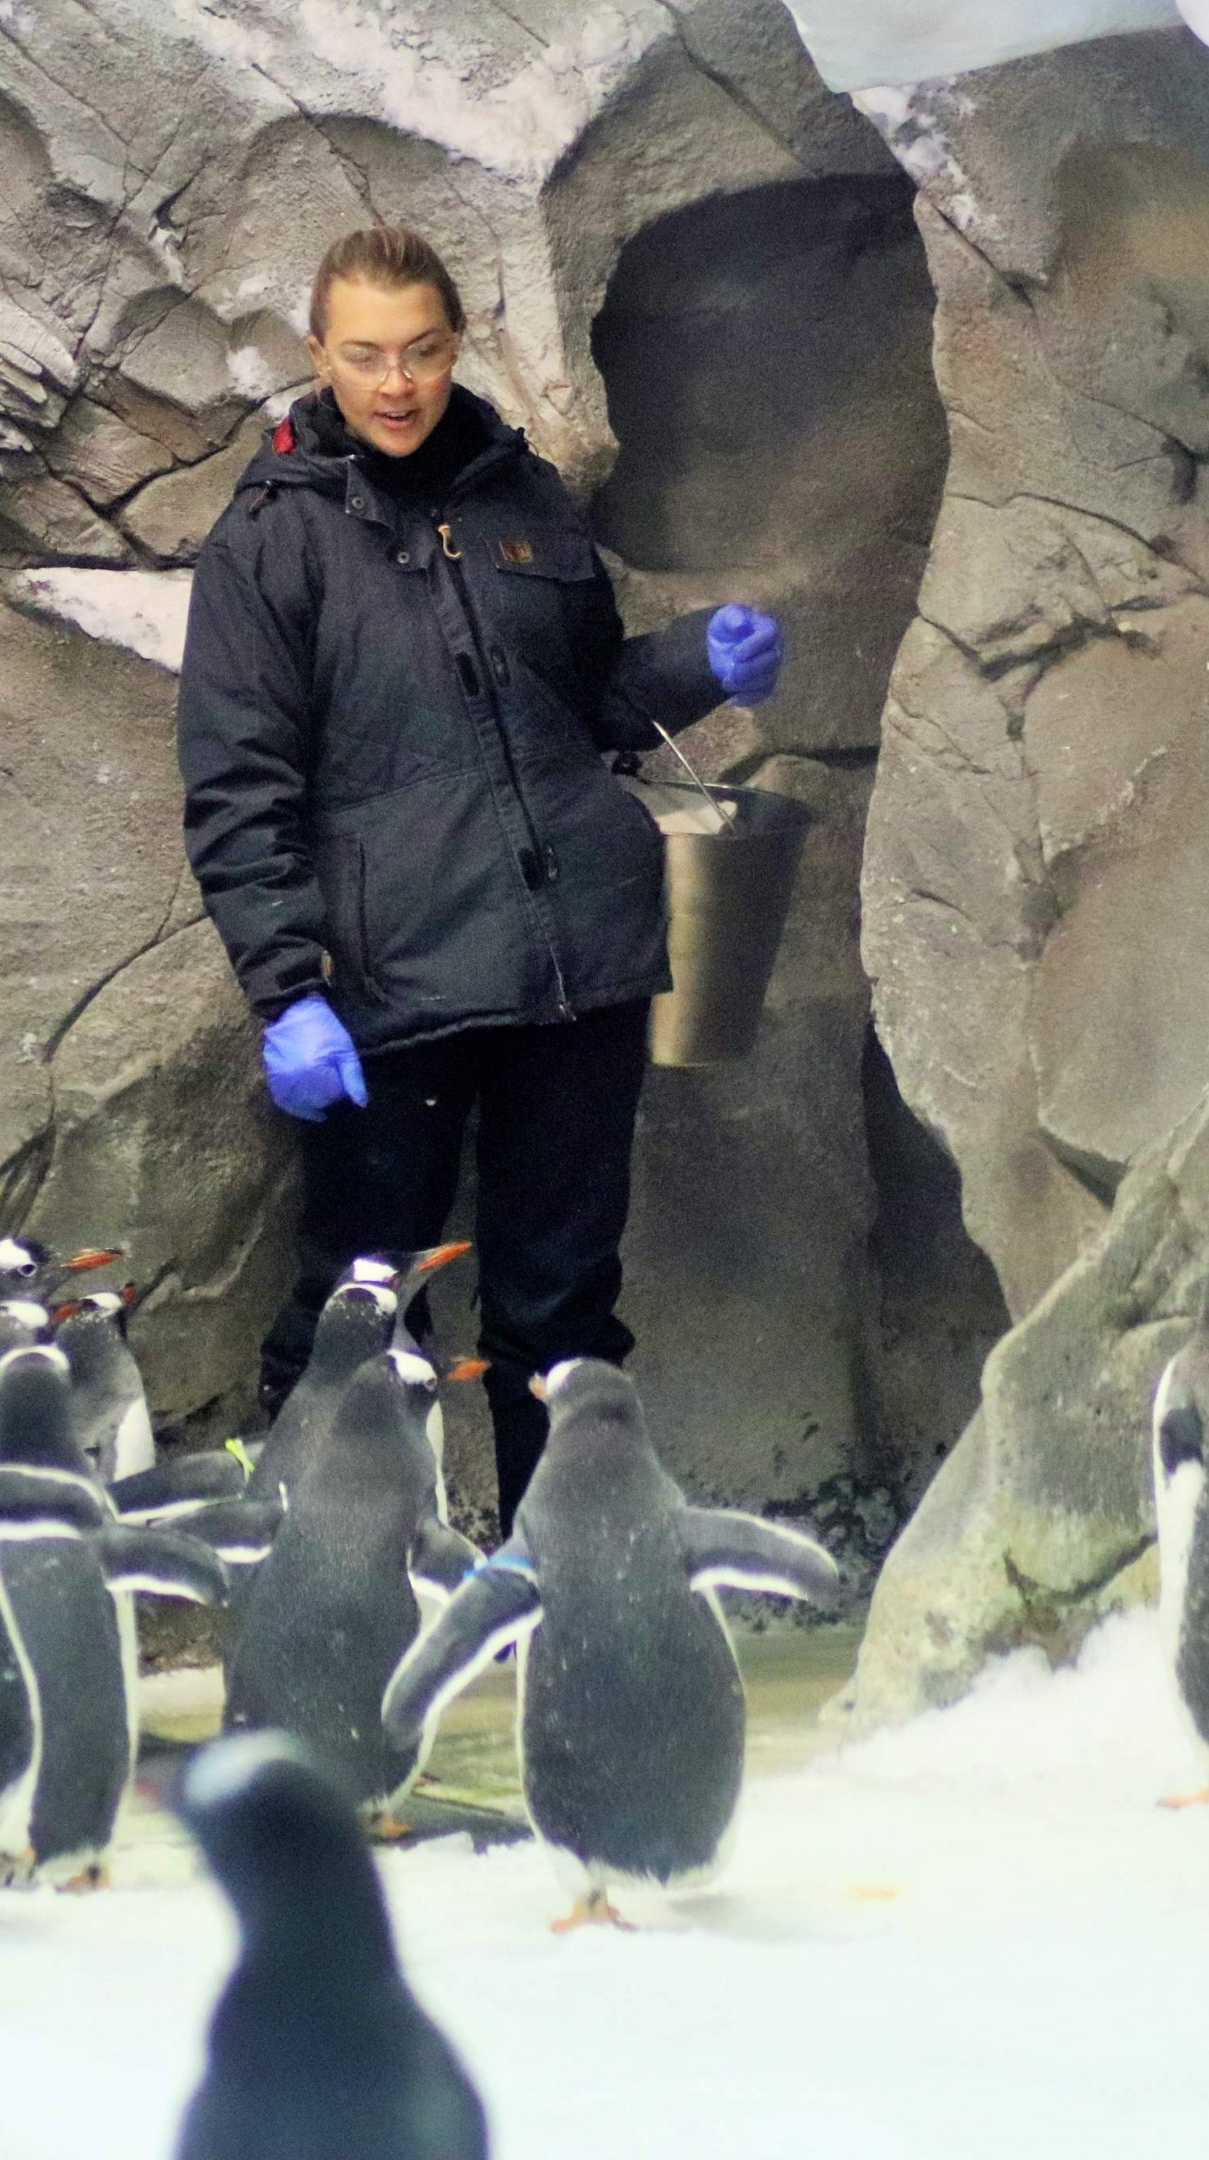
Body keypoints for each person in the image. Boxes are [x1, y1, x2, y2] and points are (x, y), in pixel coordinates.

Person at [175, 226, 786, 1525]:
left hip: (576, 973)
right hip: (389, 991)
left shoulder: (525, 498)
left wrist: (695, 669)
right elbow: (238, 786)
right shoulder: (270, 541)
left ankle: (567, 1587)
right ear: (317, 357)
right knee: (360, 1299)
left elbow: (586, 703)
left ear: (457, 345)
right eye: (365, 356)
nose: (396, 384)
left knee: (561, 1310)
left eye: (422, 352)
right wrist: (286, 989)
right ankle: (319, 1601)